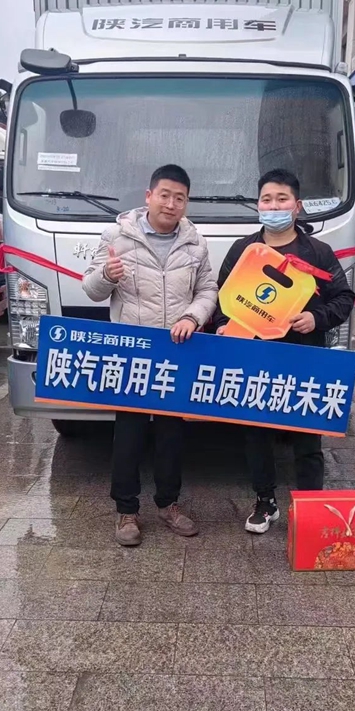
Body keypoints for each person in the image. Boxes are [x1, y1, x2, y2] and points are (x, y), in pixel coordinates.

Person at [214, 169, 355, 534]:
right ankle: (265, 502)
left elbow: (344, 298)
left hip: (303, 356)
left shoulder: (317, 253)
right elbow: (222, 297)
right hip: (255, 358)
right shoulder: (244, 251)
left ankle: (310, 508)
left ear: (297, 206)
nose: (273, 206)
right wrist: (223, 325)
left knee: (307, 435)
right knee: (256, 433)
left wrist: (316, 317)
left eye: (281, 199)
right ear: (258, 205)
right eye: (266, 200)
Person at [83, 164, 218, 547]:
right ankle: (127, 510)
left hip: (176, 354)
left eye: (180, 198)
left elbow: (208, 289)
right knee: (128, 433)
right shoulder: (116, 236)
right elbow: (91, 289)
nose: (171, 204)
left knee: (171, 434)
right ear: (149, 196)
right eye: (165, 195)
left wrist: (193, 317)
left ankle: (168, 504)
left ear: (186, 203)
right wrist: (107, 275)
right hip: (133, 355)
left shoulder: (195, 244)